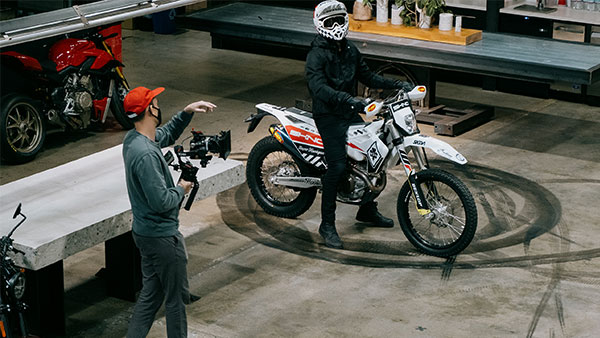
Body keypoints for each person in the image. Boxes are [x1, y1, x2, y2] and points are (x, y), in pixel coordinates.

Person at [306, 0, 414, 249]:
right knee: (336, 166)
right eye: (330, 22)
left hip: (350, 110)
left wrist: (398, 84)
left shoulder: (350, 50)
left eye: (339, 20)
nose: (336, 26)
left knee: (374, 155)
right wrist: (351, 100)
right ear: (320, 25)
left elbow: (368, 76)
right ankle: (327, 225)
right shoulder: (316, 55)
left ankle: (366, 210)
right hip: (328, 115)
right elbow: (318, 88)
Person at [122, 86, 216, 337]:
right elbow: (161, 201)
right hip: (161, 238)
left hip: (145, 233)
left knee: (151, 297)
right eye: (156, 102)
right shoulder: (145, 156)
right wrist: (181, 188)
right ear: (149, 110)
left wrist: (186, 112)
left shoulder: (134, 140)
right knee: (175, 301)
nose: (159, 105)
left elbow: (164, 134)